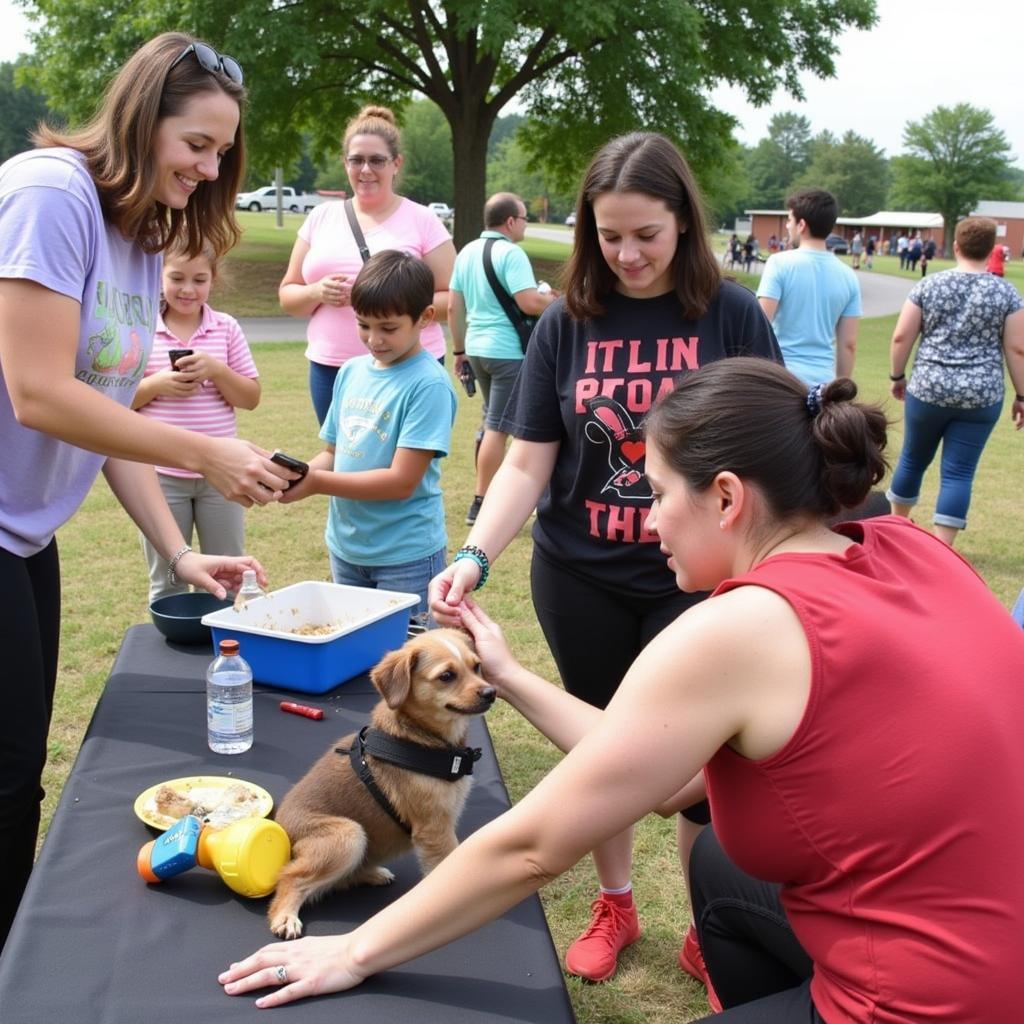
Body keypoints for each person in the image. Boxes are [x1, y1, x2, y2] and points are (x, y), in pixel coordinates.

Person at [220, 358, 1024, 1022]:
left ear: (728, 498)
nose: (646, 522)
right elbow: (668, 781)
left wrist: (352, 951)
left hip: (934, 1003)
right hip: (995, 944)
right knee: (716, 864)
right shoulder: (912, 549)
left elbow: (533, 847)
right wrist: (507, 673)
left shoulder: (741, 626)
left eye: (660, 493)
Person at [427, 132, 780, 986]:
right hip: (580, 571)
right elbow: (527, 460)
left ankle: (708, 922)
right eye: (609, 235)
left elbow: (770, 446)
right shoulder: (566, 322)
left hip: (697, 579)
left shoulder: (730, 314)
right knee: (604, 749)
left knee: (709, 767)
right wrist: (475, 553)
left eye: (646, 235)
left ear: (684, 224)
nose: (627, 254)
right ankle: (616, 901)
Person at [0, 31, 295, 953]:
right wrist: (203, 456)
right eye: (198, 146)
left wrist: (178, 550)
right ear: (140, 119)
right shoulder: (51, 195)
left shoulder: (140, 235)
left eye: (222, 154)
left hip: (25, 536)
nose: (210, 171)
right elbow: (39, 391)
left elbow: (104, 415)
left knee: (18, 774)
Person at [277, 250, 457, 626]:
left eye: (388, 328)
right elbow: (332, 452)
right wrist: (296, 475)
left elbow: (401, 481)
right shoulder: (351, 371)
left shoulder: (429, 385)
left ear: (425, 318)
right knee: (355, 656)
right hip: (346, 547)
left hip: (405, 555)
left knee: (409, 666)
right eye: (363, 325)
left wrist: (316, 483)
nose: (374, 339)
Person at [279, 105, 456, 426]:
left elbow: (455, 299)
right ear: (344, 163)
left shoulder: (423, 220)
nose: (365, 170)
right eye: (356, 160)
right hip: (331, 366)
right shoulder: (321, 217)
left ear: (396, 163)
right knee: (342, 460)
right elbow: (288, 296)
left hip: (405, 367)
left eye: (377, 160)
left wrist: (394, 303)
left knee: (400, 466)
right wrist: (317, 292)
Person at [133, 241, 261, 602]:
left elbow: (250, 397)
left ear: (213, 281)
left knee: (228, 573)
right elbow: (118, 403)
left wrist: (217, 370)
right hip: (160, 475)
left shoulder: (225, 328)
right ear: (158, 277)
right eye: (177, 278)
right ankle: (171, 649)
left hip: (220, 476)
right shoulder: (141, 327)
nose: (188, 289)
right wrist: (157, 385)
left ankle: (227, 645)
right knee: (168, 577)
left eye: (199, 279)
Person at [886, 216, 1024, 546]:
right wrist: (1021, 395)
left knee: (912, 459)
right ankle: (942, 547)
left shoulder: (929, 285)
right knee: (959, 471)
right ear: (992, 250)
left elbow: (902, 336)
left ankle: (894, 530)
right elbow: (1017, 348)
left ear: (957, 246)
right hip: (980, 395)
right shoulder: (1006, 293)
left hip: (928, 388)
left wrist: (897, 375)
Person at [449, 192, 557, 525]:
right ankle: (481, 502)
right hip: (508, 351)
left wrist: (459, 350)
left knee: (491, 420)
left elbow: (454, 306)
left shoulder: (465, 251)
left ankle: (487, 494)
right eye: (524, 218)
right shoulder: (512, 253)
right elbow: (528, 302)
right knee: (500, 427)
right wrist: (555, 301)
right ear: (511, 221)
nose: (525, 225)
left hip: (478, 349)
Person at [757, 188, 862, 386]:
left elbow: (760, 324)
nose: (787, 226)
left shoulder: (779, 263)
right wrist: (839, 389)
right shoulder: (848, 276)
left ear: (801, 225)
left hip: (781, 381)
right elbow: (848, 345)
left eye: (790, 220)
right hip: (823, 384)